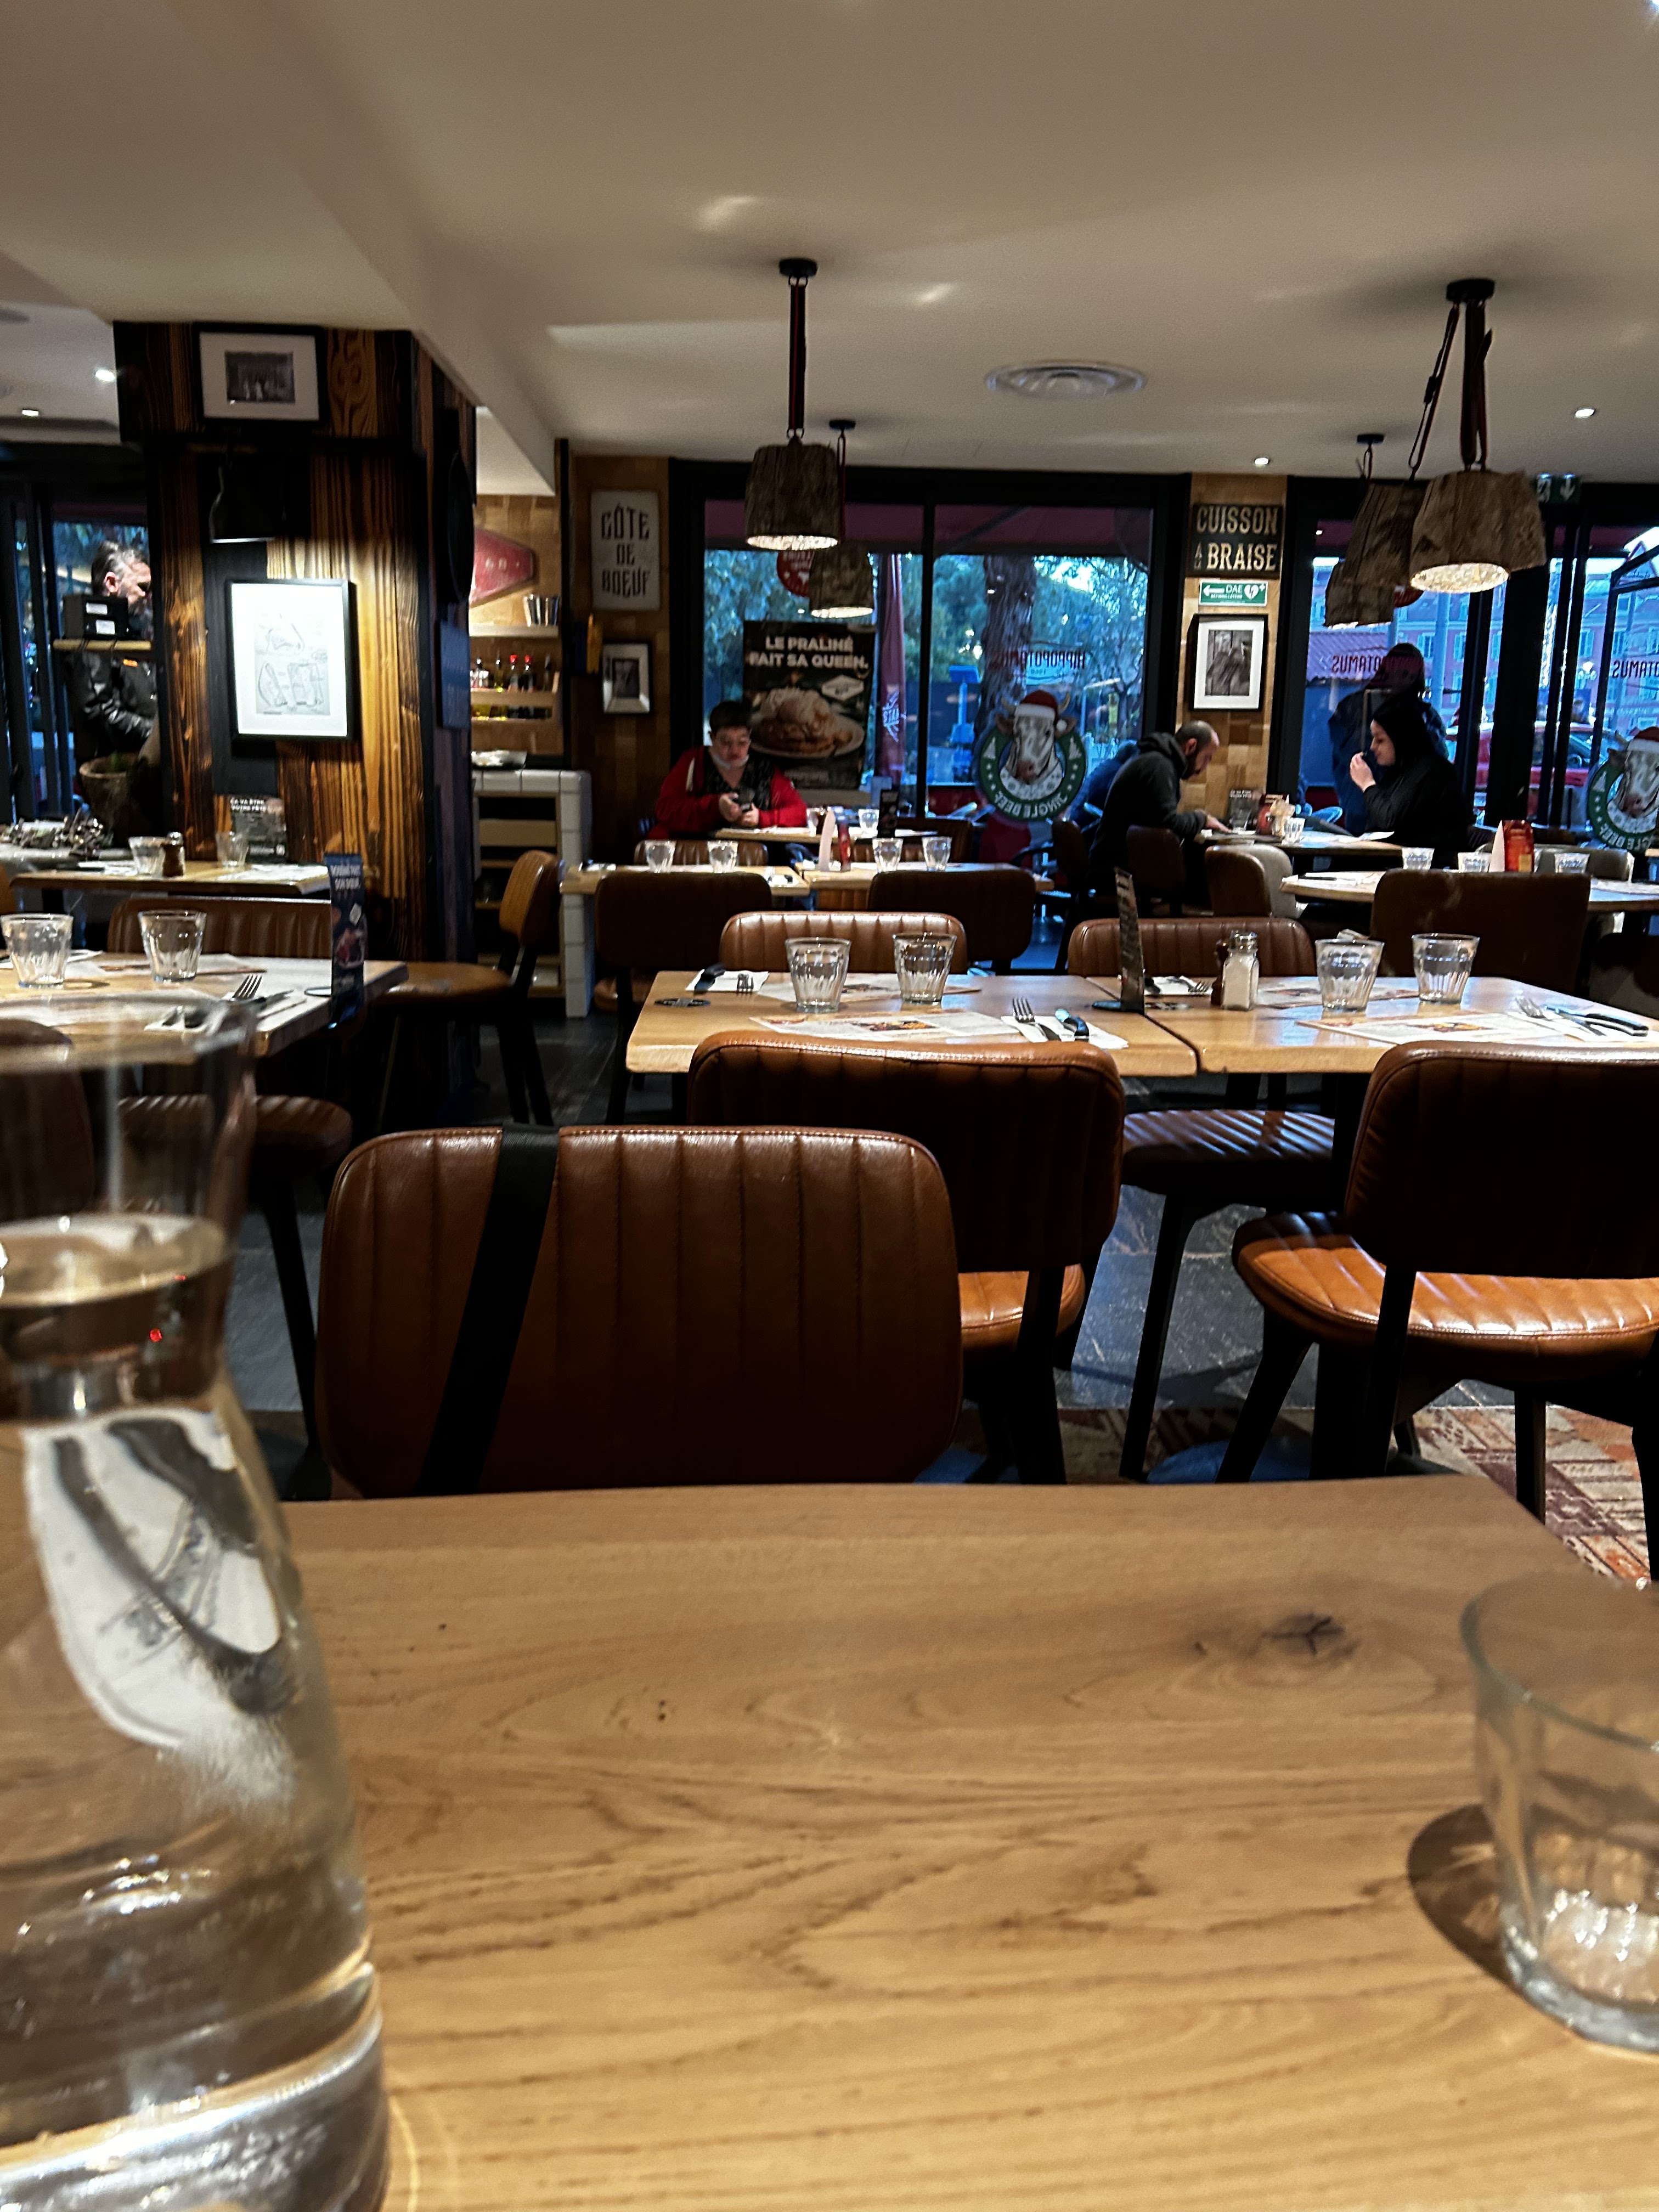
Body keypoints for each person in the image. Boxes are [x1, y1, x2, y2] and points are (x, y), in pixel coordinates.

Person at [66, 539, 162, 835]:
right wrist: (157, 733)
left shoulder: (132, 634)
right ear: (112, 583)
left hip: (143, 774)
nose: (149, 596)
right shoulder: (92, 642)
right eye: (143, 588)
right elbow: (101, 712)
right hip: (114, 779)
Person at [1088, 720, 1226, 898]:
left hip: (1111, 865)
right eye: (1207, 758)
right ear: (1191, 746)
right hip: (1117, 873)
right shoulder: (1160, 766)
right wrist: (1202, 819)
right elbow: (1168, 824)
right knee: (1207, 883)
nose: (1205, 767)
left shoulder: (1151, 759)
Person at [1327, 642, 1448, 833]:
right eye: (1402, 673)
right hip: (1361, 804)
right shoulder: (1356, 706)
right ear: (1387, 670)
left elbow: (1438, 758)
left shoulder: (1425, 715)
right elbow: (1348, 752)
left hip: (1405, 809)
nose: (1406, 680)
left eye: (1412, 676)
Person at [1347, 690, 1472, 864]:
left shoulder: (1429, 771)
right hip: (1400, 861)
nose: (1373, 747)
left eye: (1380, 740)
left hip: (1427, 868)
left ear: (1400, 739)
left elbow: (1389, 820)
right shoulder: (1399, 770)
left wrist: (1367, 783)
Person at [653, 701, 809, 835]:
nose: (735, 751)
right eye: (726, 743)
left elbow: (800, 813)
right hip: (700, 853)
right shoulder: (694, 762)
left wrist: (762, 818)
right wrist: (715, 807)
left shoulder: (764, 768)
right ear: (712, 738)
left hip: (755, 856)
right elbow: (665, 810)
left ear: (750, 738)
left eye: (742, 742)